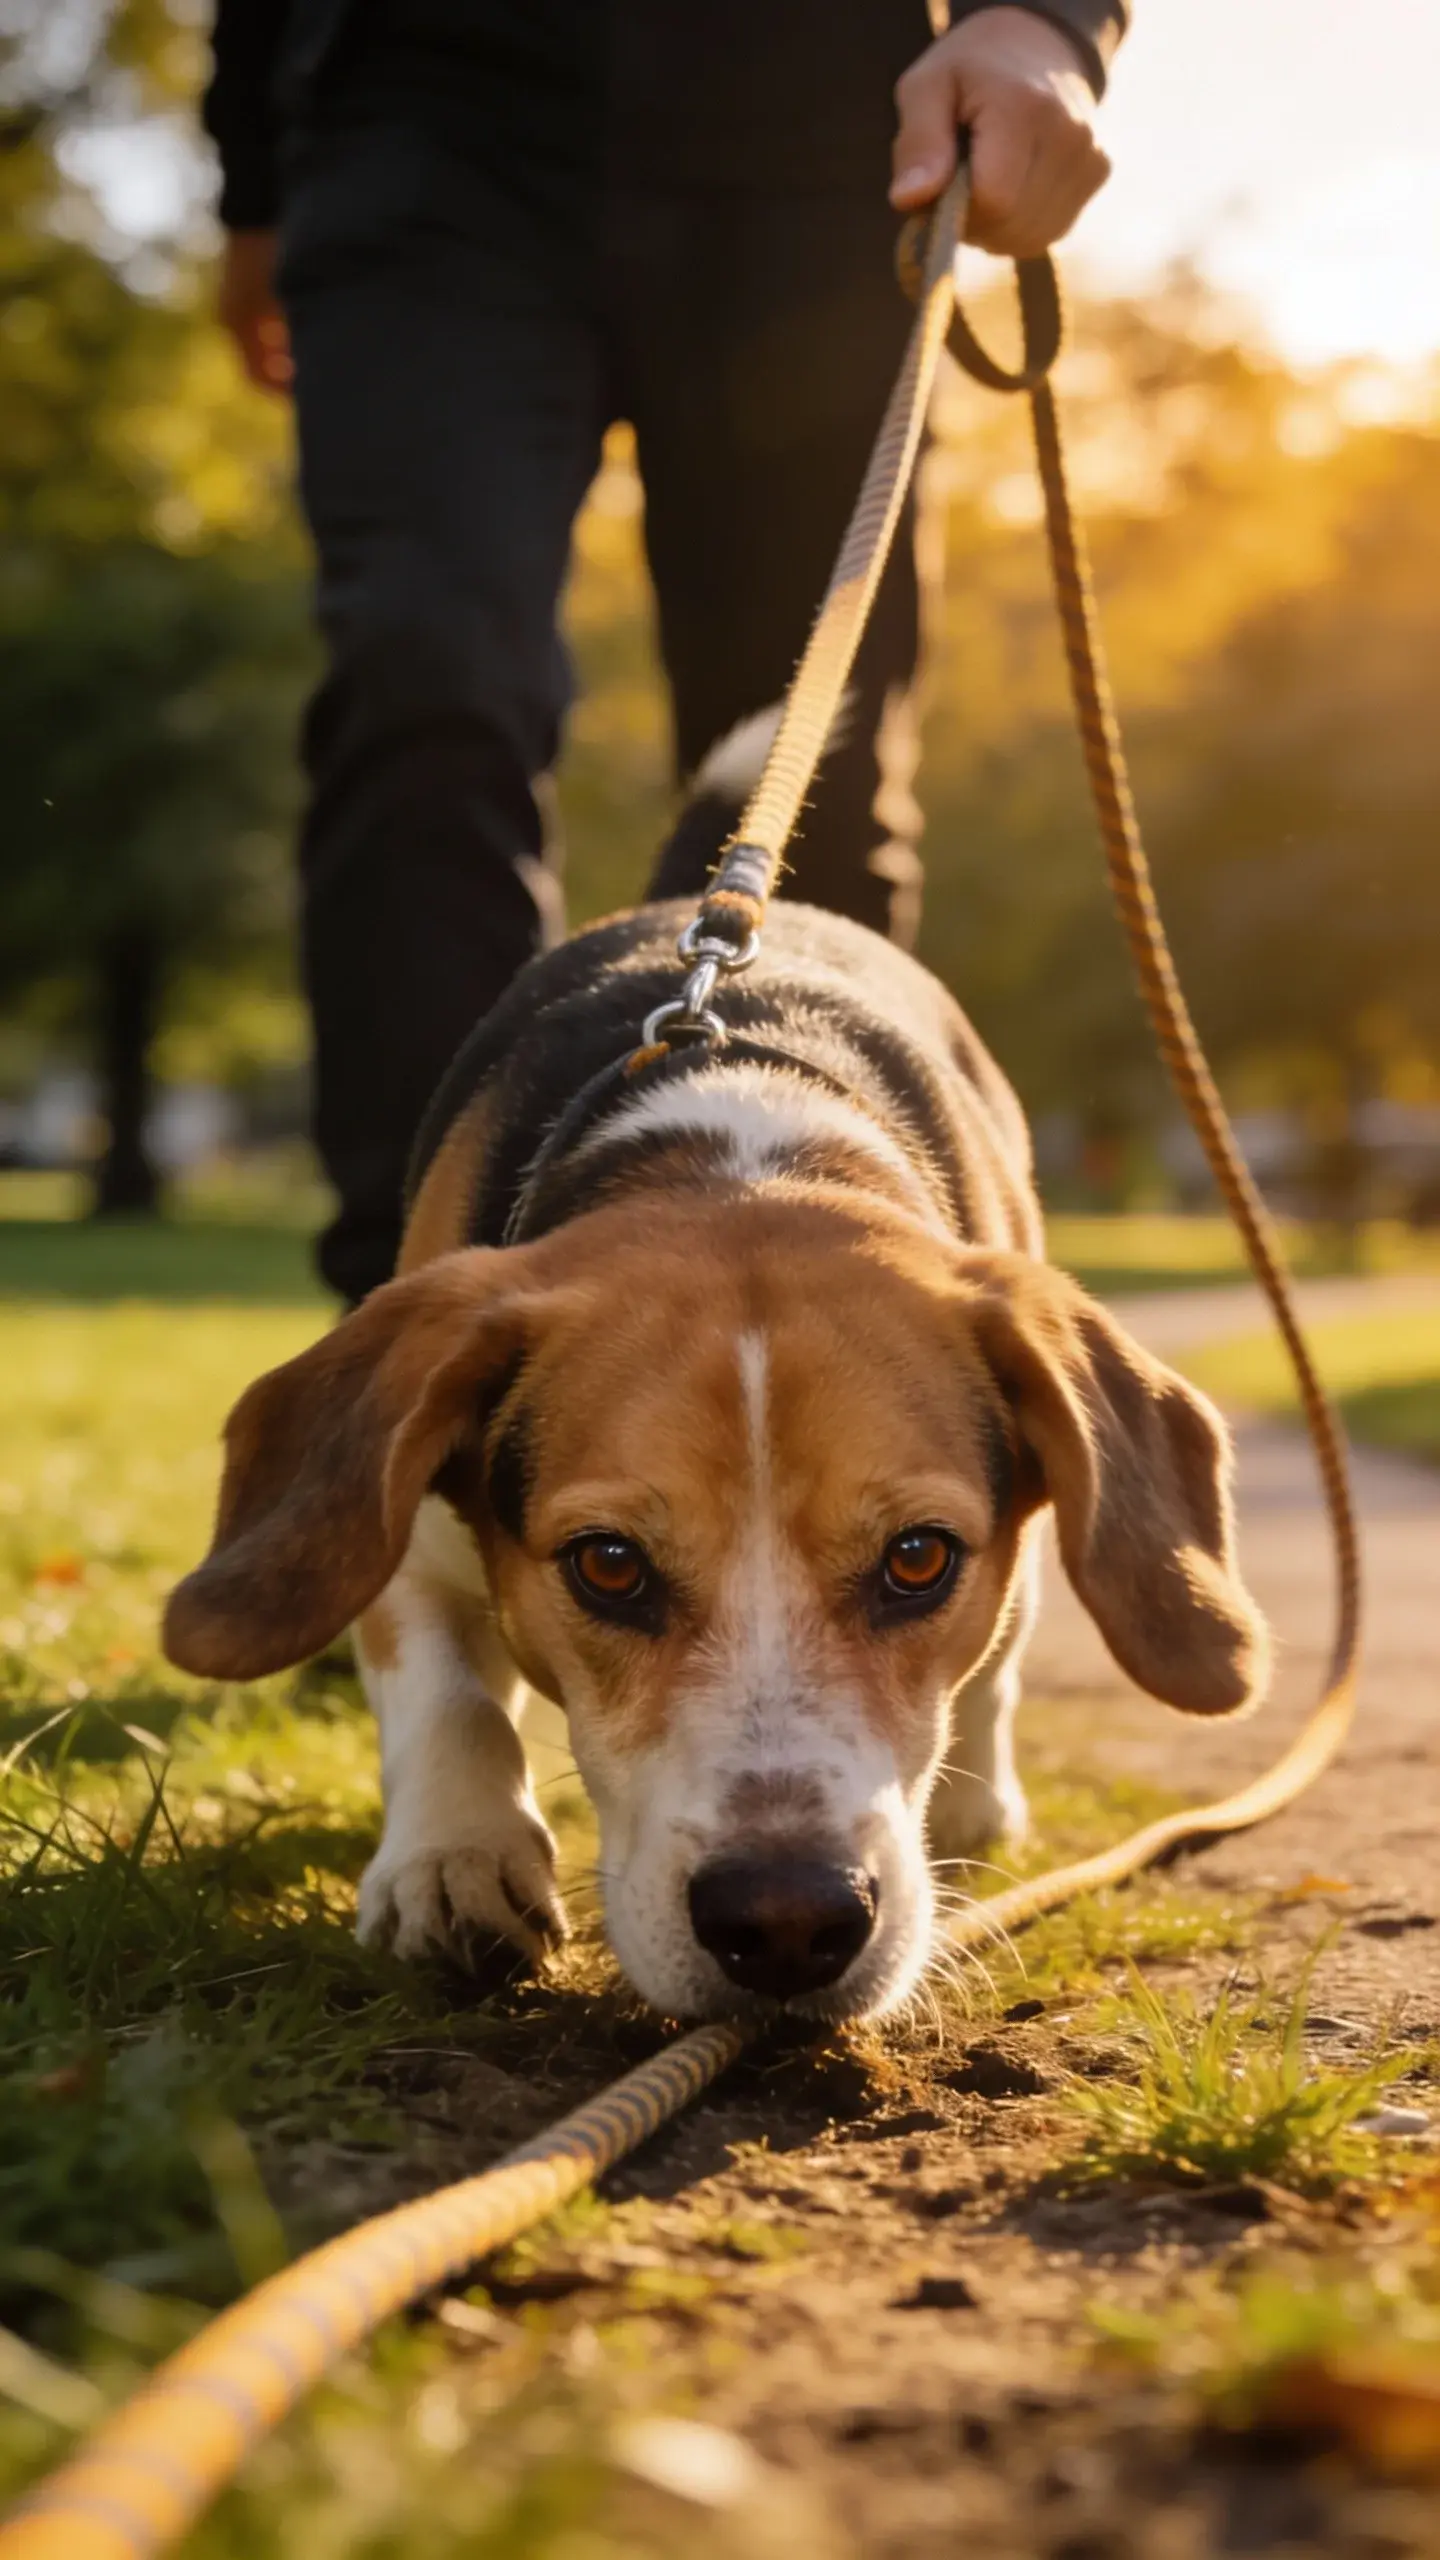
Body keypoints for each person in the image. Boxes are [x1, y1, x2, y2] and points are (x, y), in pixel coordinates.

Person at [207, 1, 1124, 1305]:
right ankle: (414, 1344)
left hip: (822, 136)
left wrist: (1045, 23)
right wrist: (252, 171)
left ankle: (837, 1285)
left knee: (815, 751)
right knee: (425, 677)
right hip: (418, 122)